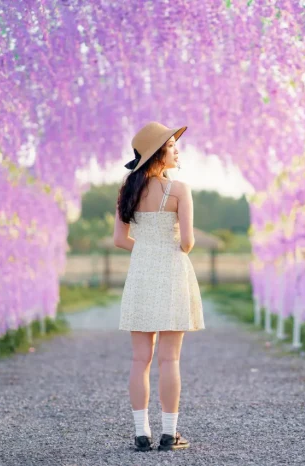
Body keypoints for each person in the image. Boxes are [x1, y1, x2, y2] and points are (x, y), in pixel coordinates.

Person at [113, 121, 205, 452]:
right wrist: (170, 247)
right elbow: (188, 242)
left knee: (141, 360)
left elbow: (119, 240)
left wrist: (147, 247)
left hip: (141, 274)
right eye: (171, 145)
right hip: (171, 272)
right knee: (170, 360)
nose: (177, 149)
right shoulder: (179, 189)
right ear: (157, 153)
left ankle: (141, 434)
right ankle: (169, 434)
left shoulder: (127, 189)